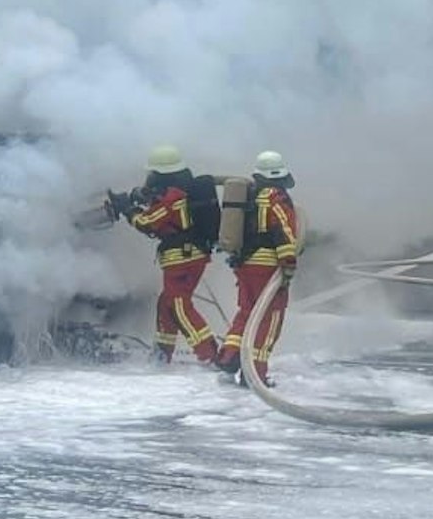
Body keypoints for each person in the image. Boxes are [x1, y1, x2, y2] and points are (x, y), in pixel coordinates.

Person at [118, 145, 220, 365]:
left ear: (161, 173)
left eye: (153, 173)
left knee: (178, 306)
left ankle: (209, 355)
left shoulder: (174, 196)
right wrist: (140, 198)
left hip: (183, 258)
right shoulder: (179, 191)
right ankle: (162, 354)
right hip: (187, 256)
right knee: (166, 303)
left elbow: (147, 223)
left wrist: (128, 209)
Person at [217, 150, 301, 386]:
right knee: (270, 318)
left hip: (245, 264)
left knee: (247, 312)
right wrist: (288, 265)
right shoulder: (275, 197)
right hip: (268, 267)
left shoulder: (251, 196)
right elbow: (283, 231)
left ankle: (229, 356)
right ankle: (255, 375)